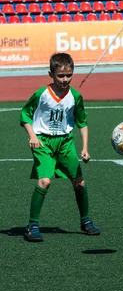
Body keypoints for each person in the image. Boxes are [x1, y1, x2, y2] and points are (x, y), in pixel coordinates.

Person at [20, 52, 101, 242]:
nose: (65, 79)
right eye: (61, 76)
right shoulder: (41, 94)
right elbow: (25, 116)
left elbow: (82, 122)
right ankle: (32, 225)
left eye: (69, 75)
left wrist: (85, 148)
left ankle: (86, 221)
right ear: (51, 74)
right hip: (43, 142)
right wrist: (32, 135)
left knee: (79, 183)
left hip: (65, 143)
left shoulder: (75, 96)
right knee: (45, 181)